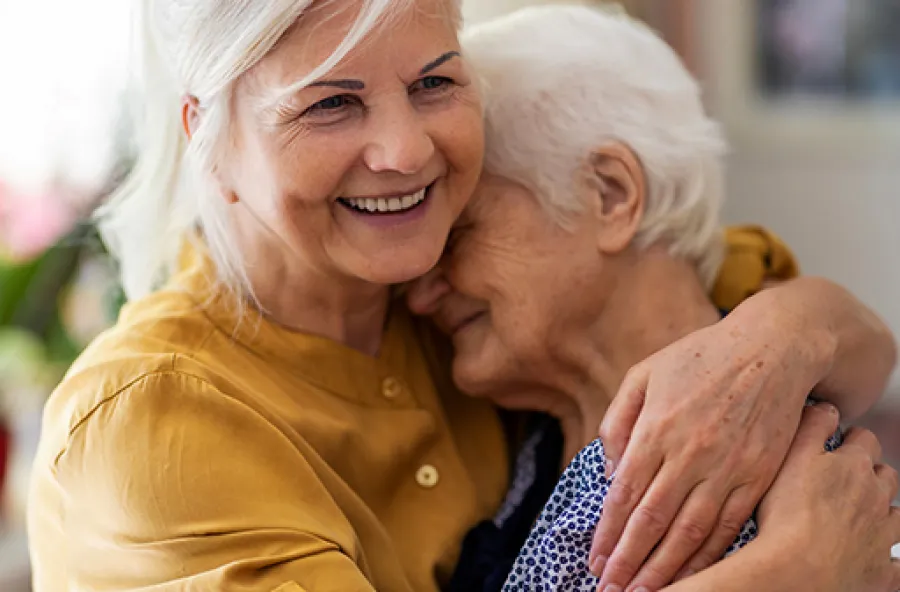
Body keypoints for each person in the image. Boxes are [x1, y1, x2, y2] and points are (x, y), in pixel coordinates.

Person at [25, 1, 894, 591]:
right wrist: (789, 577)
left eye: (435, 82)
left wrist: (788, 335)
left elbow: (777, 309)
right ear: (207, 136)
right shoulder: (147, 426)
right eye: (330, 104)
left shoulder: (438, 293)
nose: (404, 152)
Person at [407, 5, 900, 591]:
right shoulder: (526, 444)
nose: (420, 291)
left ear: (611, 194)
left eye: (458, 232)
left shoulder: (779, 472)